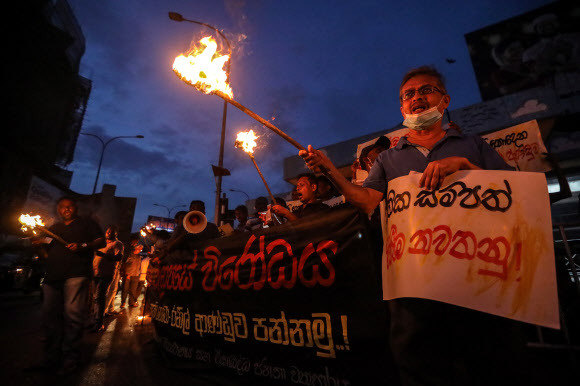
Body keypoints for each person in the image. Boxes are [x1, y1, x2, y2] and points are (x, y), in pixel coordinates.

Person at [300, 66, 523, 385]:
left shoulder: (474, 146)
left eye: (425, 90)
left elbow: (513, 191)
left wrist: (465, 166)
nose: (416, 97)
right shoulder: (388, 160)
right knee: (422, 367)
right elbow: (366, 201)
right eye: (408, 95)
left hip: (476, 282)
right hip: (414, 287)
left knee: (487, 364)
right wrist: (328, 171)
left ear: (444, 101)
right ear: (402, 108)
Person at [29, 197, 104, 375]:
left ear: (75, 208)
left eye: (69, 206)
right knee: (50, 319)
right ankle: (50, 360)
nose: (66, 209)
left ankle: (70, 361)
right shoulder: (53, 229)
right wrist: (37, 246)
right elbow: (46, 255)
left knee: (73, 317)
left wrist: (83, 245)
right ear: (58, 210)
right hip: (52, 277)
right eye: (62, 207)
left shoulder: (87, 223)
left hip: (76, 275)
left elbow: (100, 242)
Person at [92, 226, 124, 331]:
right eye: (107, 231)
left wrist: (103, 255)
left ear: (116, 234)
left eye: (111, 231)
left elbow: (118, 258)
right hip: (95, 273)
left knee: (100, 297)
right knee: (94, 298)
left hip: (106, 274)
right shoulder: (101, 243)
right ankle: (94, 320)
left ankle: (99, 323)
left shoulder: (117, 244)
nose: (108, 232)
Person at [120, 234, 142, 308]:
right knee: (125, 289)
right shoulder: (129, 254)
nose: (139, 250)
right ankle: (123, 302)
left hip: (136, 275)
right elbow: (125, 263)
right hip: (128, 274)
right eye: (138, 249)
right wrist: (126, 273)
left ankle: (131, 302)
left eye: (140, 250)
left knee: (133, 290)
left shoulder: (139, 256)